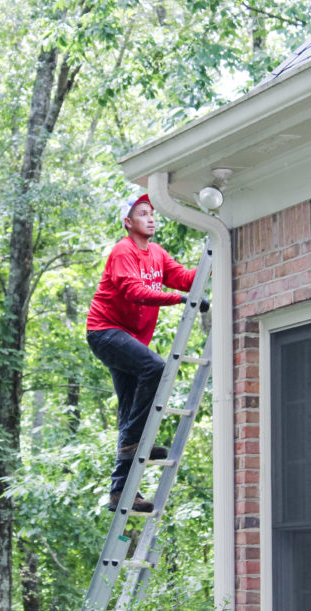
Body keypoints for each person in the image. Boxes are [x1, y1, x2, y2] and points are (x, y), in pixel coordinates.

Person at [86, 193, 207, 512]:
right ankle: (135, 441)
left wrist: (213, 260)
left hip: (130, 339)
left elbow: (182, 278)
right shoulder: (122, 252)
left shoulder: (156, 253)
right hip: (105, 332)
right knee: (154, 368)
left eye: (152, 213)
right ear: (128, 222)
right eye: (143, 213)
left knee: (129, 412)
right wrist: (178, 300)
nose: (151, 218)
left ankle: (120, 492)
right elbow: (132, 291)